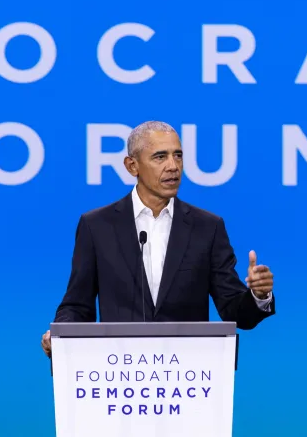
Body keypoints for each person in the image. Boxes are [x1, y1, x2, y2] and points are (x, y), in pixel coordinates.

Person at [41, 121, 275, 356]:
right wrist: (59, 335)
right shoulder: (97, 226)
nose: (173, 166)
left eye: (178, 156)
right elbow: (77, 305)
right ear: (132, 166)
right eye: (160, 157)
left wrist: (259, 295)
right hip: (118, 374)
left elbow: (235, 311)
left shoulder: (207, 227)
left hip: (190, 374)